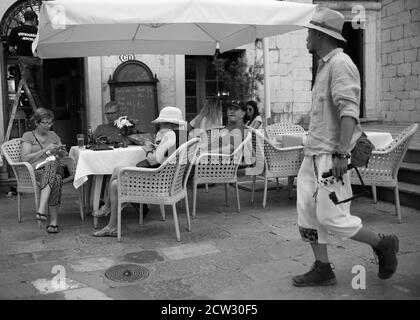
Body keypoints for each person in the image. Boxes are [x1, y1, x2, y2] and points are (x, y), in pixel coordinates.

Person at [293, 7, 399, 287]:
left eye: (308, 32)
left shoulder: (341, 64)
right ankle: (323, 268)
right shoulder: (324, 64)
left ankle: (382, 243)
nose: (305, 37)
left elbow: (349, 111)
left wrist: (341, 152)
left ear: (318, 34)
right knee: (307, 211)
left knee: (333, 217)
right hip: (313, 153)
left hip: (330, 154)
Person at [92, 106, 186, 237]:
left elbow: (154, 160)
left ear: (165, 122)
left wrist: (148, 149)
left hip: (157, 182)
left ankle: (111, 224)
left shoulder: (168, 135)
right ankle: (108, 213)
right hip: (169, 180)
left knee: (115, 183)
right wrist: (156, 146)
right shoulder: (182, 136)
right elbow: (165, 158)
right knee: (117, 169)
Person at [21, 108, 69, 234]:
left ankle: (41, 210)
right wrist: (45, 150)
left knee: (52, 163)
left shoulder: (53, 135)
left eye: (50, 123)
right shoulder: (28, 136)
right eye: (45, 123)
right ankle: (53, 222)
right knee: (57, 180)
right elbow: (25, 157)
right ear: (37, 123)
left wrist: (60, 152)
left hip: (56, 167)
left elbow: (64, 154)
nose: (48, 126)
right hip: (36, 171)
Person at [8, 10, 43, 107]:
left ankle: (36, 109)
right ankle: (41, 107)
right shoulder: (38, 31)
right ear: (34, 19)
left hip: (24, 60)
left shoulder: (16, 30)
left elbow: (10, 48)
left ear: (25, 18)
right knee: (40, 86)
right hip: (37, 59)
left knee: (30, 87)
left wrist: (17, 51)